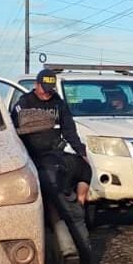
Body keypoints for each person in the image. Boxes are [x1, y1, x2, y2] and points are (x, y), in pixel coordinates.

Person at [11, 69, 92, 203]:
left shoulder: (58, 103)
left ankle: (80, 203)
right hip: (32, 154)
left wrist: (81, 152)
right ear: (36, 85)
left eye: (50, 89)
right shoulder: (24, 103)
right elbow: (14, 131)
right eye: (44, 89)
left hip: (55, 152)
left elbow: (69, 130)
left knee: (85, 170)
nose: (47, 93)